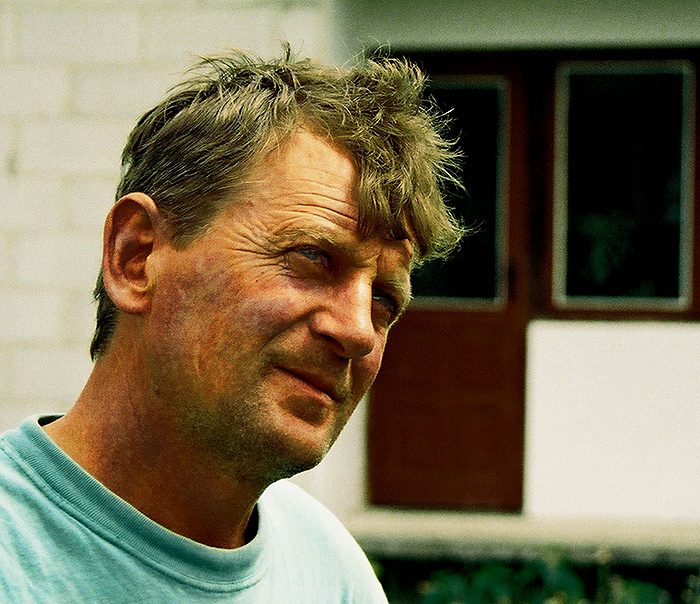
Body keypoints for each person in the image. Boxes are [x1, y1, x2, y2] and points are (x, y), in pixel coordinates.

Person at [0, 48, 463, 602]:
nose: (359, 331)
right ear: (136, 257)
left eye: (384, 300)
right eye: (313, 256)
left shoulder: (332, 573)